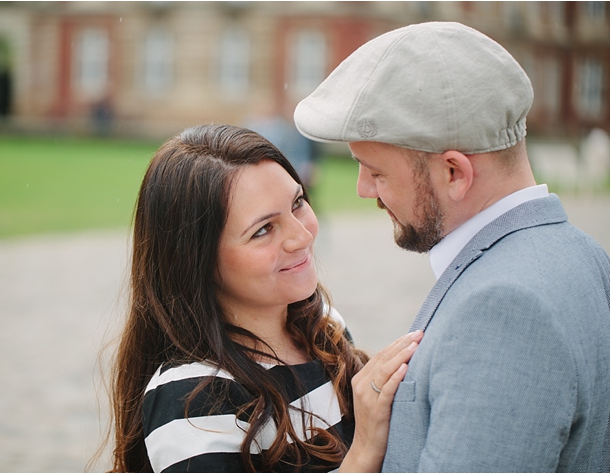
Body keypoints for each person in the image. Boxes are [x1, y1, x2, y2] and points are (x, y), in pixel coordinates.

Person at [294, 21, 610, 472]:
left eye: (377, 172)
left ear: (454, 174)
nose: (365, 189)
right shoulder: (581, 252)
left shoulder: (504, 309)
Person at [108, 123, 423, 472]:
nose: (301, 236)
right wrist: (364, 450)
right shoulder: (191, 399)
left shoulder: (326, 326)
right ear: (196, 260)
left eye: (298, 203)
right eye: (263, 230)